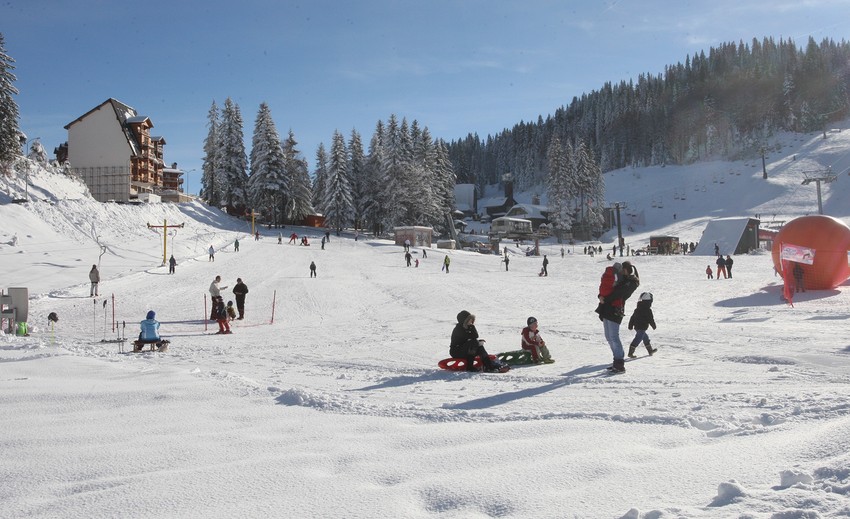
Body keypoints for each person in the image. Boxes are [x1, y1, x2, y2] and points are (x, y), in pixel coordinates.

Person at [595, 261, 640, 373]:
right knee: (608, 336)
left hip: (616, 310)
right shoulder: (621, 279)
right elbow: (607, 288)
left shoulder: (631, 282)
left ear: (626, 270)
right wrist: (601, 296)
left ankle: (619, 364)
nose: (620, 272)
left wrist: (604, 299)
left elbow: (619, 294)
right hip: (607, 308)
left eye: (622, 270)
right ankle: (616, 361)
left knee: (614, 336)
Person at [627, 292, 657, 358]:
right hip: (642, 327)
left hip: (637, 327)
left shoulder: (637, 309)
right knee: (638, 338)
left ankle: (650, 351)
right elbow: (650, 319)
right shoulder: (648, 310)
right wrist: (653, 325)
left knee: (645, 337)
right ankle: (630, 353)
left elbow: (632, 317)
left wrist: (630, 325)